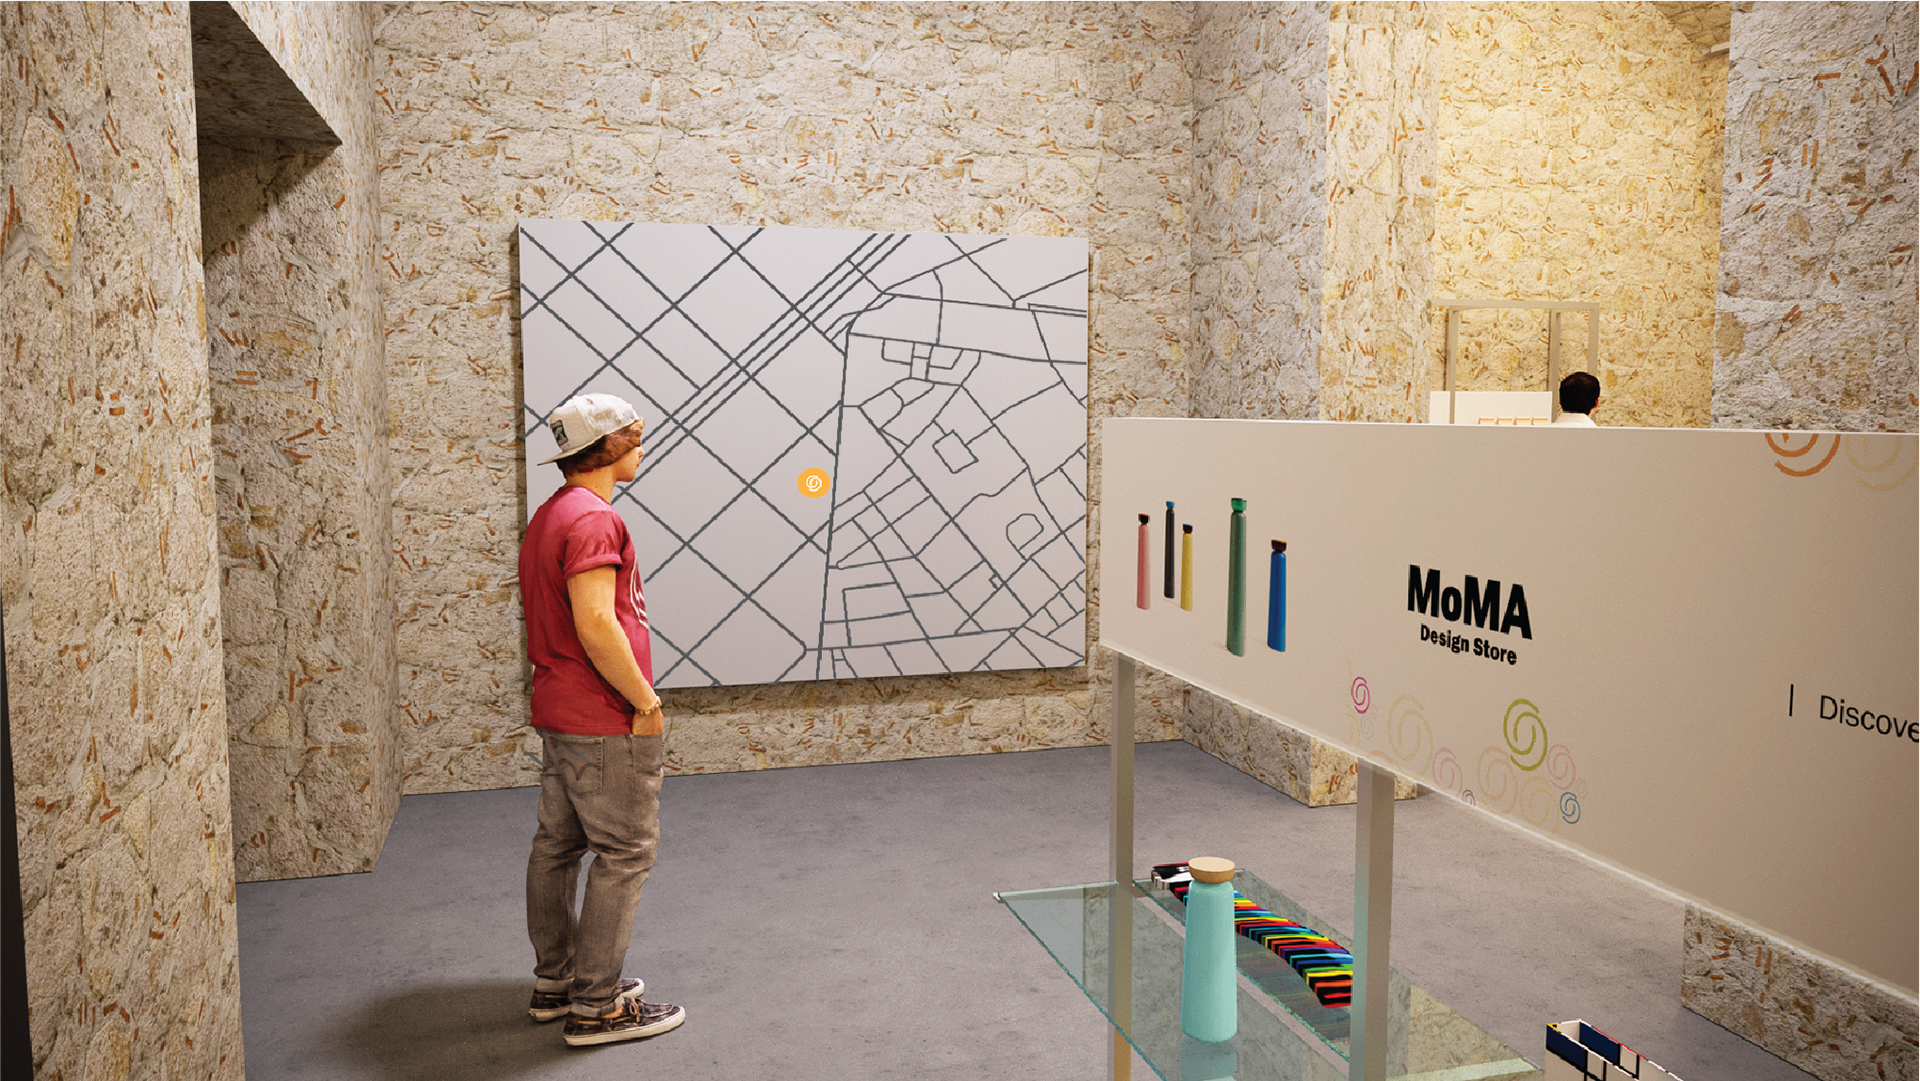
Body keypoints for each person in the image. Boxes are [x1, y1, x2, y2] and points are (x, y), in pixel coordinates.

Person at [519, 392, 686, 1047]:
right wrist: (645, 701)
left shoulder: (551, 513)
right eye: (634, 437)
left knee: (557, 846)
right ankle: (596, 1008)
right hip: (601, 718)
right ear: (608, 448)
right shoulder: (594, 520)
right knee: (625, 852)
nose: (641, 447)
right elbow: (595, 622)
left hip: (560, 711)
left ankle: (556, 982)